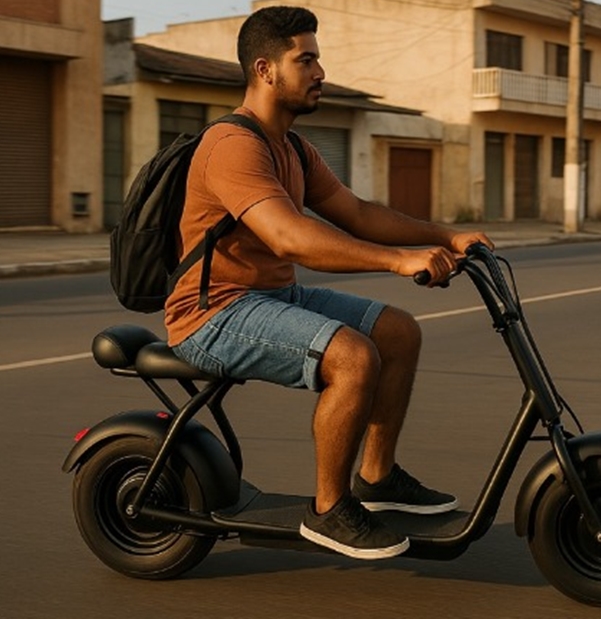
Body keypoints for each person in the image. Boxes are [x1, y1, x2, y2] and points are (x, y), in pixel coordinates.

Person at [164, 5, 492, 560]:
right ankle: (328, 510)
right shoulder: (232, 145)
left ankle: (377, 477)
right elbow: (292, 238)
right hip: (213, 313)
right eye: (306, 60)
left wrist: (446, 235)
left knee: (398, 331)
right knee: (354, 358)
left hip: (268, 296)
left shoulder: (291, 146)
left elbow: (357, 213)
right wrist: (397, 262)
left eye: (318, 59)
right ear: (266, 70)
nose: (320, 72)